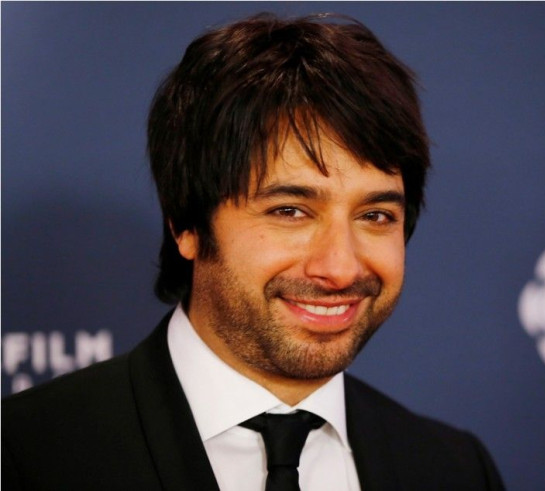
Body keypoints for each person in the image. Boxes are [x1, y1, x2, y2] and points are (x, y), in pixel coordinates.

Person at [2, 13, 504, 490]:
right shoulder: (27, 455)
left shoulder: (452, 468)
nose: (340, 266)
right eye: (290, 211)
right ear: (187, 224)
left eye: (374, 216)